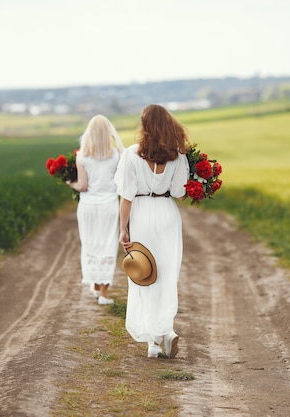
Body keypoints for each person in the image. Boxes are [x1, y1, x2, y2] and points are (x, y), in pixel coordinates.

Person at [114, 104, 190, 358]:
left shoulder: (131, 155)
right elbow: (180, 192)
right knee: (167, 275)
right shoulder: (178, 156)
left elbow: (126, 196)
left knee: (145, 275)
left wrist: (123, 228)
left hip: (142, 214)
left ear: (144, 126)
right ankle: (165, 331)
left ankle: (153, 343)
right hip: (167, 214)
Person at [67, 115, 125, 305]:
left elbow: (83, 186)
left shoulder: (81, 156)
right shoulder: (116, 155)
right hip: (109, 204)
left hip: (88, 206)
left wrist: (71, 184)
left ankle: (94, 285)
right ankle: (103, 293)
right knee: (107, 244)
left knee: (90, 243)